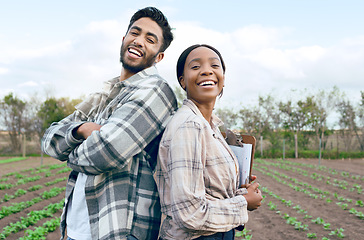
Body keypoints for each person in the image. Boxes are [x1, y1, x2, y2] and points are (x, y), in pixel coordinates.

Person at [41, 7, 177, 240]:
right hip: (76, 229)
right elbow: (49, 141)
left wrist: (69, 151)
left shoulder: (156, 90)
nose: (139, 41)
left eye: (150, 39)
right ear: (124, 39)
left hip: (117, 231)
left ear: (159, 56)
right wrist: (82, 130)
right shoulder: (104, 94)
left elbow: (106, 152)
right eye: (135, 33)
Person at [154, 44, 263, 239]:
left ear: (222, 78)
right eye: (195, 67)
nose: (207, 71)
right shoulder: (189, 125)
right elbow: (190, 213)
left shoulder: (209, 127)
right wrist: (244, 203)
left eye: (215, 65)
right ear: (183, 81)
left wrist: (241, 192)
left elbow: (212, 193)